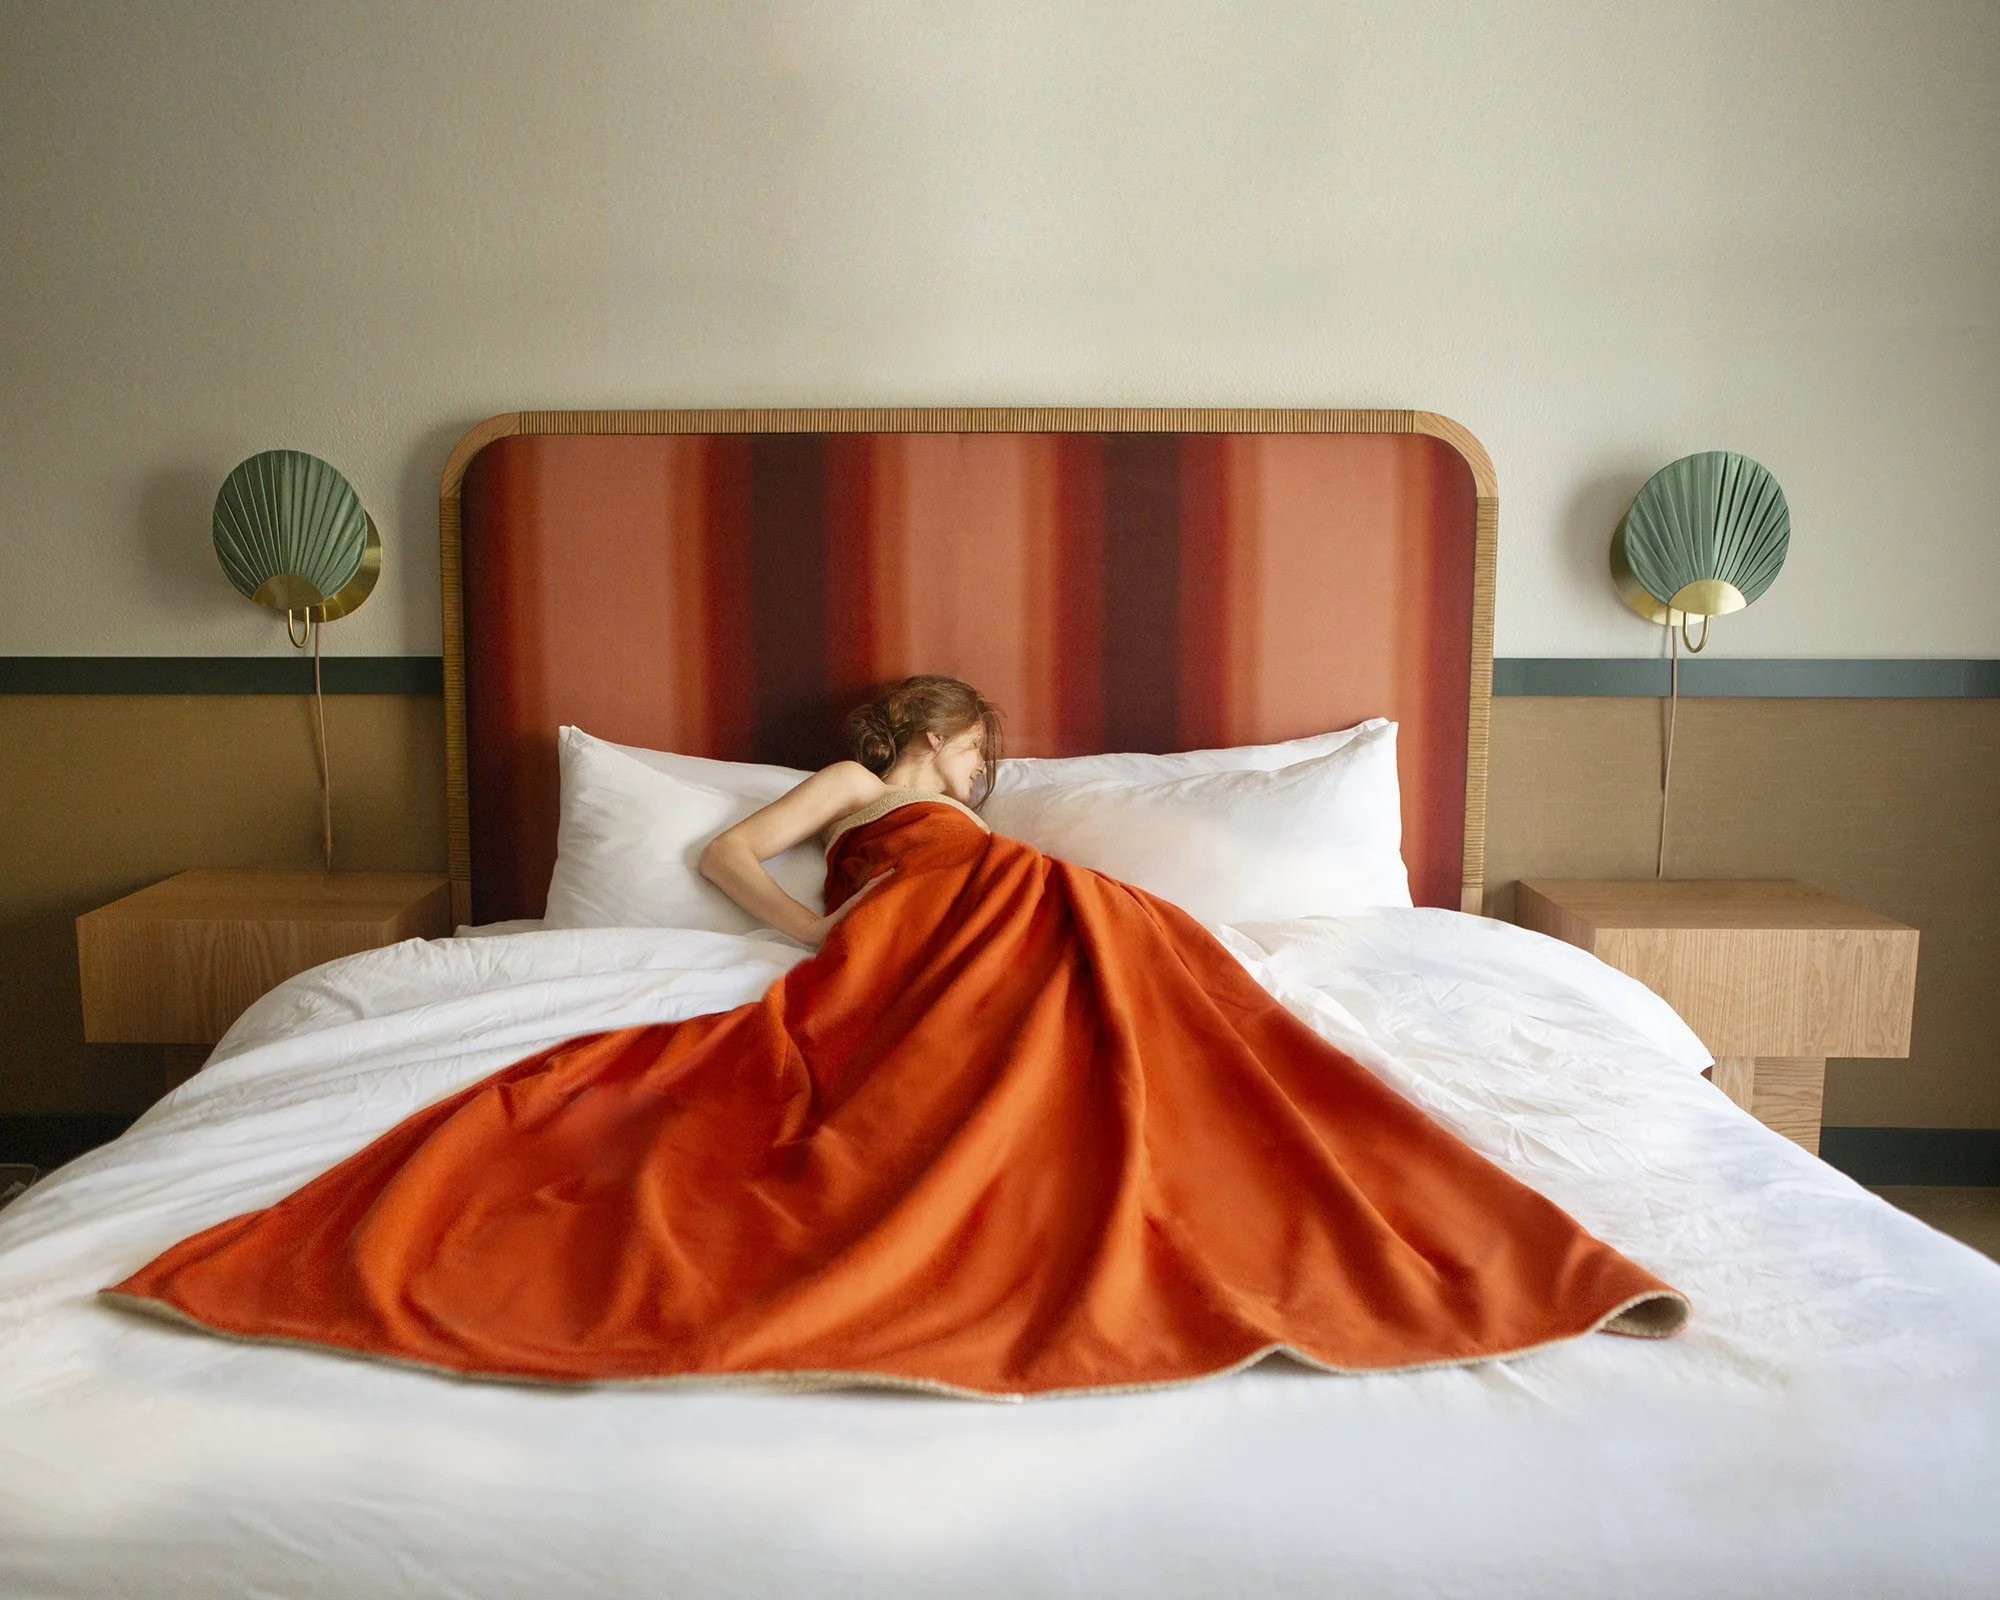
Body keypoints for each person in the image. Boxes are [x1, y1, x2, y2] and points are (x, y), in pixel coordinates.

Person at [106, 673, 1686, 1398]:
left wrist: (1028, 873)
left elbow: (1000, 851)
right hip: (916, 917)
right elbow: (728, 856)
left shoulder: (990, 826)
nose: (987, 770)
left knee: (1157, 988)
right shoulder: (865, 795)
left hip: (1039, 907)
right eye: (976, 750)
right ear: (921, 739)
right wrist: (820, 933)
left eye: (993, 759)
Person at [697, 674, 1000, 947]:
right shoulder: (859, 784)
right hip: (921, 928)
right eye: (975, 745)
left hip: (989, 912)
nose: (981, 767)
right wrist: (810, 928)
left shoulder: (968, 821)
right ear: (937, 734)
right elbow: (724, 853)